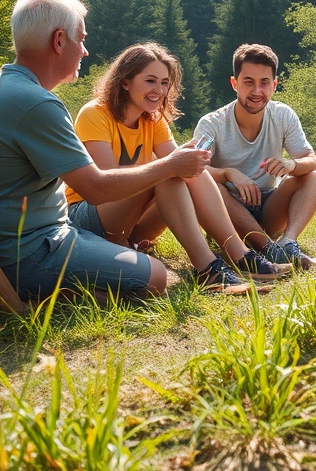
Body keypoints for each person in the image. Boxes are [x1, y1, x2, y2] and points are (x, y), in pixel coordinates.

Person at [0, 0, 205, 301]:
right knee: (157, 277)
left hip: (6, 246)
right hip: (26, 254)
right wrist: (169, 165)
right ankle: (58, 295)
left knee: (143, 264)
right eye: (81, 39)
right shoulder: (36, 103)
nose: (84, 51)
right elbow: (95, 189)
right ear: (59, 41)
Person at [66, 42, 289, 293]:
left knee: (184, 170)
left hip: (131, 224)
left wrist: (190, 162)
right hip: (89, 218)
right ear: (125, 81)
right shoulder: (95, 114)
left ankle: (240, 255)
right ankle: (209, 270)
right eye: (150, 81)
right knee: (168, 171)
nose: (159, 90)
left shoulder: (153, 119)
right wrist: (170, 165)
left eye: (164, 83)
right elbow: (107, 186)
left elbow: (183, 167)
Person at [194, 43, 316, 269]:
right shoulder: (212, 123)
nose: (256, 91)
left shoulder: (283, 115)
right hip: (228, 214)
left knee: (314, 177)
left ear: (274, 85)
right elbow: (192, 169)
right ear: (234, 83)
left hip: (269, 206)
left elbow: (313, 162)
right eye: (248, 82)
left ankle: (288, 242)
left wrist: (291, 164)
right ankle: (268, 249)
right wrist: (227, 173)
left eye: (264, 83)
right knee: (215, 187)